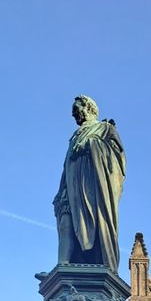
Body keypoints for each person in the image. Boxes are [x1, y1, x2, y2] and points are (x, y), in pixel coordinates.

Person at [54, 95, 126, 271]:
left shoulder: (105, 128)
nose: (74, 115)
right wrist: (61, 189)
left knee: (95, 227)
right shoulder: (74, 136)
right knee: (66, 222)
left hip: (92, 188)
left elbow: (118, 160)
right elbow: (67, 165)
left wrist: (91, 144)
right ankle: (63, 265)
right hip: (71, 187)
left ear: (88, 107)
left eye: (75, 110)